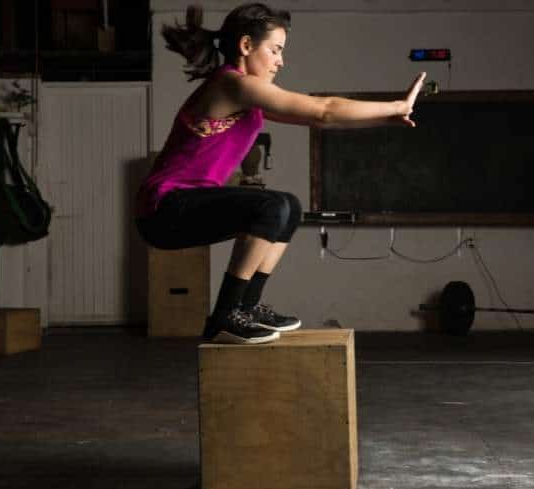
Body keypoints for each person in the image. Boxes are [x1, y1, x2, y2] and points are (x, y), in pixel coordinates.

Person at [136, 3, 426, 344]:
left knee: (288, 207)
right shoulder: (233, 84)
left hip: (183, 206)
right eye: (275, 50)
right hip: (164, 207)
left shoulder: (246, 96)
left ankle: (246, 306)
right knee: (270, 207)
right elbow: (324, 111)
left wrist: (385, 118)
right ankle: (225, 315)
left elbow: (318, 119)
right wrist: (396, 105)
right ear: (246, 46)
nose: (280, 61)